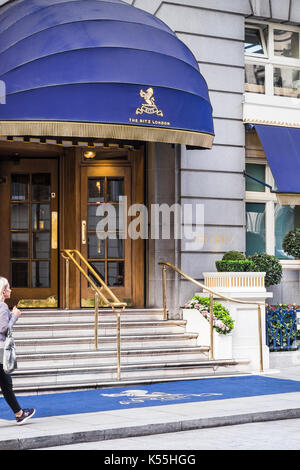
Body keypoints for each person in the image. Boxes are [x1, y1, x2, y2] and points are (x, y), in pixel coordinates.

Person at [0, 277, 36, 425]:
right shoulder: (2, 306)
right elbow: (3, 329)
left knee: (6, 383)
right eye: (8, 287)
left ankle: (19, 413)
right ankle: (19, 414)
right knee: (6, 384)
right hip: (0, 350)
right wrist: (14, 317)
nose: (10, 290)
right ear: (3, 291)